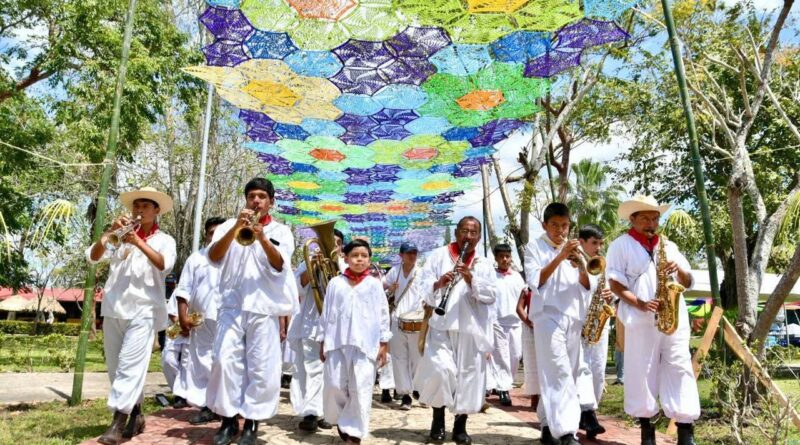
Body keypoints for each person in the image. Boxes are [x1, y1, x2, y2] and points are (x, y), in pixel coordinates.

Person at [206, 177, 298, 445]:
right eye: (251, 196)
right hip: (231, 305)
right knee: (224, 362)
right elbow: (213, 257)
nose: (255, 200)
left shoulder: (281, 231)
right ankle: (228, 419)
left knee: (261, 366)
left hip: (263, 307)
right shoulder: (227, 226)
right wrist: (237, 226)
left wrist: (261, 237)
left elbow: (280, 264)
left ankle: (252, 423)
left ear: (271, 201)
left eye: (261, 196)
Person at [86, 187, 176, 445]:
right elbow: (93, 258)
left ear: (156, 210)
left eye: (145, 206)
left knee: (129, 366)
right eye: (136, 206)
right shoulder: (120, 235)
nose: (139, 210)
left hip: (144, 310)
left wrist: (138, 242)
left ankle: (117, 422)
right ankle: (136, 413)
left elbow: (164, 265)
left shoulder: (164, 240)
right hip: (114, 308)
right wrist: (109, 233)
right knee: (116, 369)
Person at [606, 196, 698, 445]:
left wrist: (676, 269)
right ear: (632, 219)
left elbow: (688, 282)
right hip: (640, 317)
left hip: (673, 317)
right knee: (641, 371)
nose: (651, 222)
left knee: (680, 368)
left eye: (655, 218)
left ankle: (685, 430)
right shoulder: (619, 245)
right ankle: (647, 431)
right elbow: (614, 283)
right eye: (645, 217)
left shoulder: (669, 246)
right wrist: (641, 303)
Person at [523, 203, 603, 445]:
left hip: (573, 316)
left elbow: (589, 285)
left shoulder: (577, 250)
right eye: (555, 225)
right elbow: (535, 280)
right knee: (559, 372)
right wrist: (560, 256)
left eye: (565, 226)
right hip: (547, 315)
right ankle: (567, 432)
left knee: (561, 372)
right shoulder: (533, 247)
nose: (560, 230)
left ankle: (548, 426)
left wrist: (579, 265)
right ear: (545, 225)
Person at [414, 216, 496, 445]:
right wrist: (439, 284)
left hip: (471, 330)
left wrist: (471, 278)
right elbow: (423, 289)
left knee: (467, 378)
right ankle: (437, 419)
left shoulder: (484, 263)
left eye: (473, 232)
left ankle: (460, 425)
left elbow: (490, 296)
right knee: (440, 370)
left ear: (478, 237)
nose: (468, 236)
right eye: (464, 231)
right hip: (441, 325)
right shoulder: (439, 256)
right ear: (456, 232)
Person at [318, 239, 391, 444]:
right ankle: (342, 420)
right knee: (334, 385)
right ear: (346, 258)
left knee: (361, 388)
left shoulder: (374, 285)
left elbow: (383, 315)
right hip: (337, 342)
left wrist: (384, 343)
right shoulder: (335, 283)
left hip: (365, 345)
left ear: (369, 259)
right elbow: (326, 313)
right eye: (355, 255)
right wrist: (322, 341)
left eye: (364, 256)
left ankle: (355, 432)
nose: (360, 259)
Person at [287, 228, 345, 432]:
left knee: (333, 373)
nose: (332, 246)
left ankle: (325, 411)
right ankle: (311, 413)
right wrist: (311, 268)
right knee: (310, 369)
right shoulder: (308, 261)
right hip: (310, 324)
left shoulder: (346, 265)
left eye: (336, 242)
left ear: (341, 247)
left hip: (337, 328)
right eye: (329, 241)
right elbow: (296, 288)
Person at [171, 216, 225, 425]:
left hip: (228, 319)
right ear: (206, 234)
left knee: (225, 362)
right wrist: (183, 316)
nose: (216, 237)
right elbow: (183, 289)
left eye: (220, 233)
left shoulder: (234, 257)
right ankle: (207, 406)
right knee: (202, 363)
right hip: (201, 320)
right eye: (212, 233)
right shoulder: (196, 259)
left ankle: (226, 405)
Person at [383, 242, 424, 410]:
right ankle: (405, 394)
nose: (412, 256)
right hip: (397, 319)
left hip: (417, 319)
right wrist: (390, 290)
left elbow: (431, 291)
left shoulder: (422, 272)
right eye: (409, 253)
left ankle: (418, 388)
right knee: (399, 358)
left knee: (417, 358)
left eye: (414, 252)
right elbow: (383, 289)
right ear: (401, 255)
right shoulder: (394, 271)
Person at [577, 225, 614, 406]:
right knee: (579, 368)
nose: (598, 247)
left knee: (598, 370)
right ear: (581, 242)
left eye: (600, 243)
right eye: (594, 243)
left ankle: (593, 410)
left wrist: (611, 296)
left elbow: (611, 291)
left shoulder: (602, 264)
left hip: (599, 323)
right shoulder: (572, 261)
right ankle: (582, 410)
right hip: (578, 322)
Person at [487, 243, 525, 406]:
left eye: (507, 256)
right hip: (497, 321)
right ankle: (503, 389)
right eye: (501, 256)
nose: (504, 259)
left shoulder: (517, 277)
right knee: (501, 356)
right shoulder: (491, 276)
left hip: (516, 322)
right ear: (496, 258)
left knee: (515, 355)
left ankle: (502, 382)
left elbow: (524, 297)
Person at [162, 293, 189, 408]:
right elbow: (172, 313)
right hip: (177, 329)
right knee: (167, 361)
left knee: (187, 365)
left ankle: (182, 396)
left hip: (193, 332)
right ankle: (178, 391)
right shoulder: (180, 289)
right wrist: (182, 325)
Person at [516, 287, 539, 409]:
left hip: (547, 325)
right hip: (530, 328)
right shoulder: (527, 289)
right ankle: (534, 398)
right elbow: (519, 308)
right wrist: (529, 322)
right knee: (532, 363)